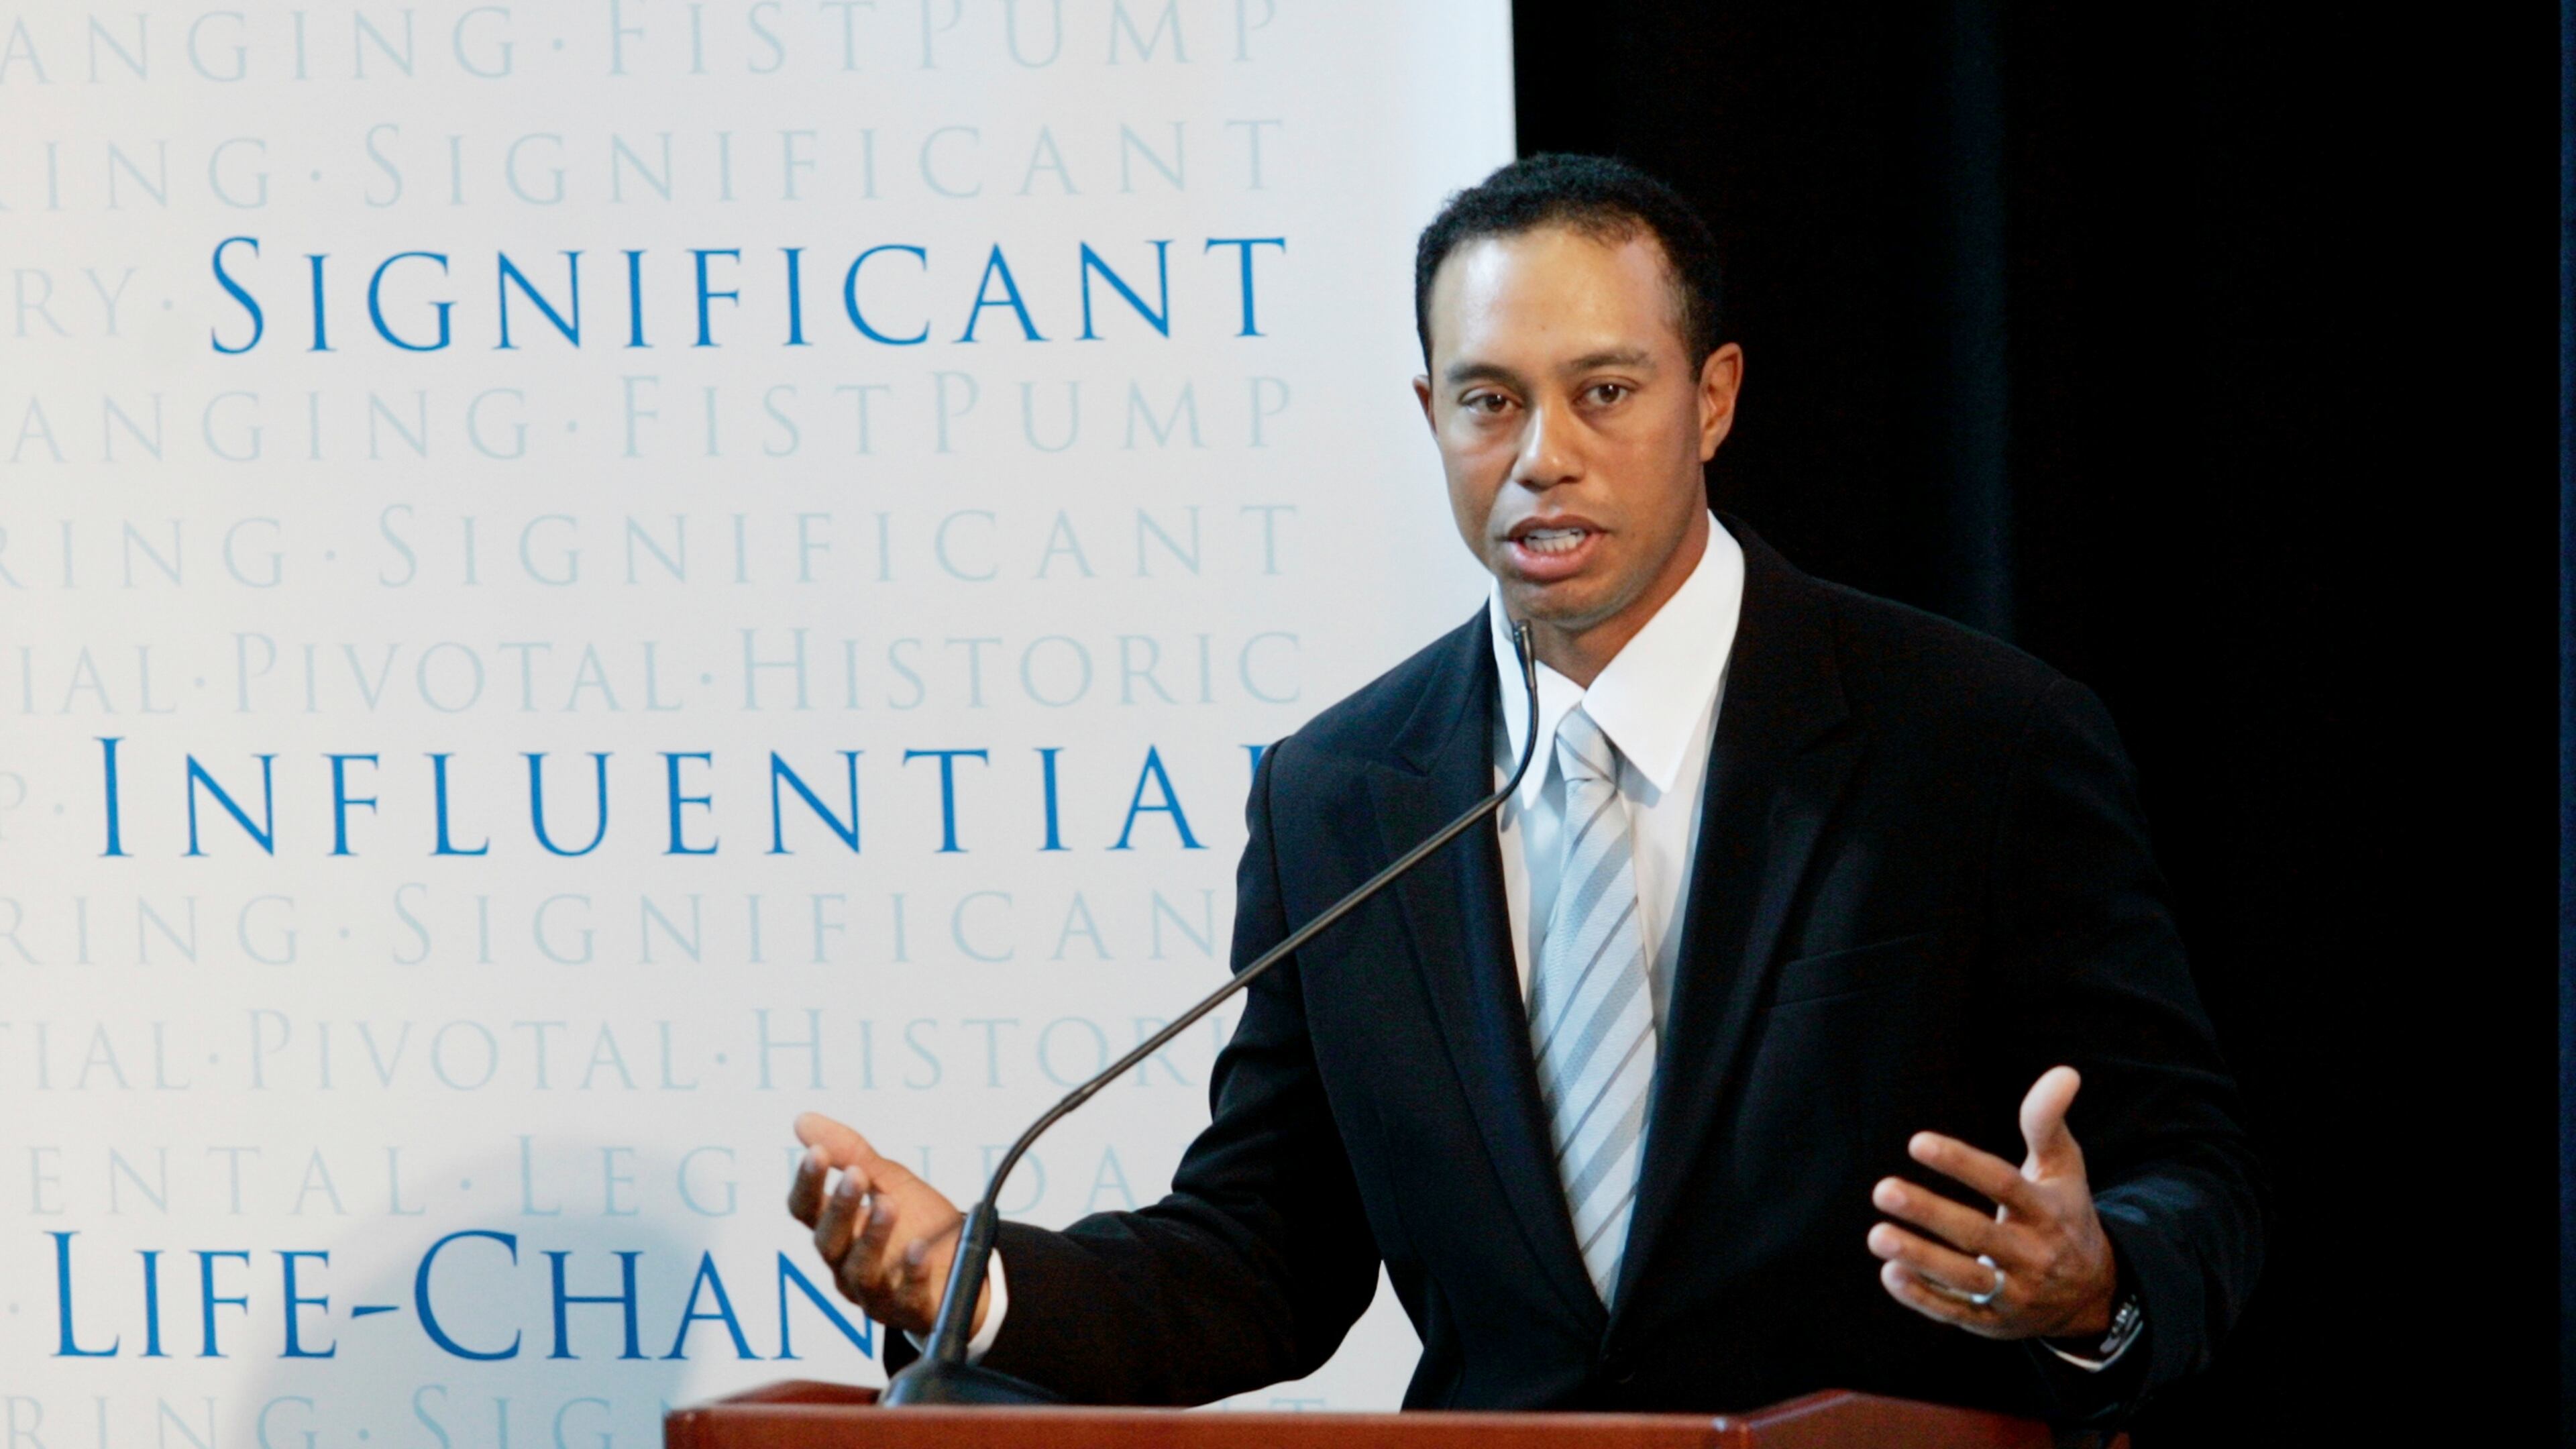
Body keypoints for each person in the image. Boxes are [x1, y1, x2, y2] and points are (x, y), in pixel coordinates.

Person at [786, 154, 2265, 1424]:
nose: (1542, 458)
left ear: (1714, 399)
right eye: (1489, 400)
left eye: (1604, 392)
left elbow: (2189, 1174)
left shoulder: (1976, 739)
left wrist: (2097, 1283)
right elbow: (1264, 1258)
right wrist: (967, 1284)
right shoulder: (1342, 795)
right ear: (1431, 409)